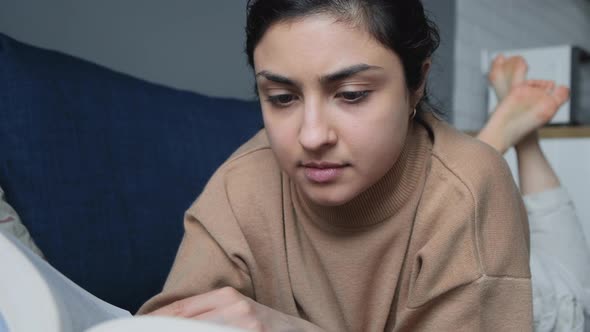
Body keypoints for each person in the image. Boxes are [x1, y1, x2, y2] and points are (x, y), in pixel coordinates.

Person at [137, 1, 533, 331]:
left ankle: (522, 135)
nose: (311, 136)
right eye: (281, 97)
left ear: (417, 83)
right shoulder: (241, 181)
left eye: (351, 94)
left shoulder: (471, 188)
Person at [477, 55, 590, 332]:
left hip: (549, 286)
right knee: (574, 294)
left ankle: (518, 133)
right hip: (558, 303)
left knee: (551, 217)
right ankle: (501, 138)